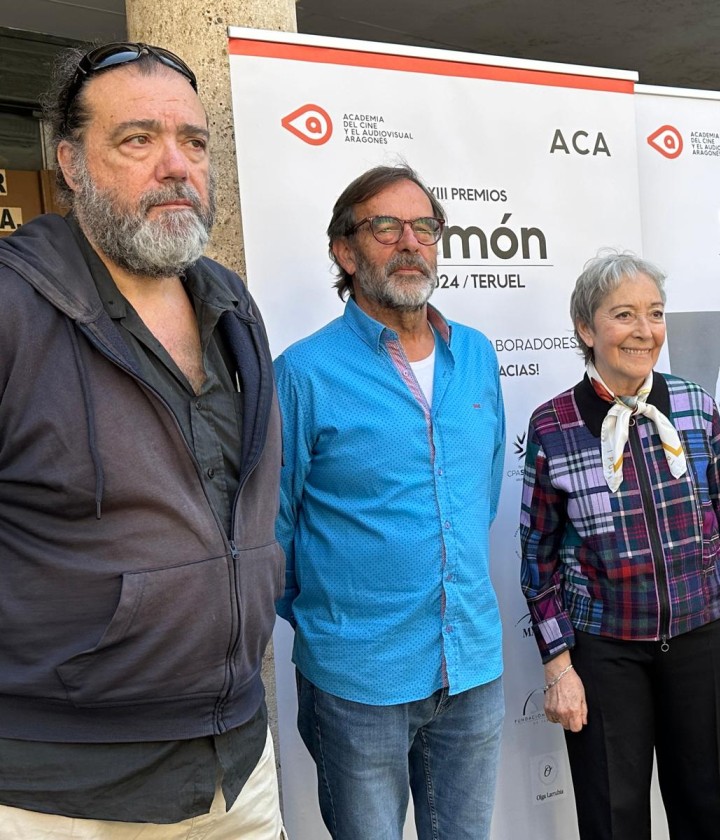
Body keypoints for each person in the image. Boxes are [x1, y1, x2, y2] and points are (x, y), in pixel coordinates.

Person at [0, 43, 284, 838]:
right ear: (70, 163)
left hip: (236, 766)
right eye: (137, 140)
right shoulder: (12, 307)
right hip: (57, 792)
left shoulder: (231, 305)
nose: (175, 166)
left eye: (193, 141)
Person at [275, 164, 506, 840]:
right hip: (358, 677)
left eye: (424, 227)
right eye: (385, 227)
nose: (410, 242)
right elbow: (273, 527)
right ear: (345, 252)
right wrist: (336, 621)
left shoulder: (477, 356)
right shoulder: (303, 373)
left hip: (471, 664)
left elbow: (481, 496)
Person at [520, 252, 720, 840]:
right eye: (624, 315)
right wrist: (559, 664)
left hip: (703, 638)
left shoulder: (695, 405)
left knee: (705, 815)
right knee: (613, 822)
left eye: (655, 314)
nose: (644, 330)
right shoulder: (553, 424)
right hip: (604, 651)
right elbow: (538, 559)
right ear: (586, 329)